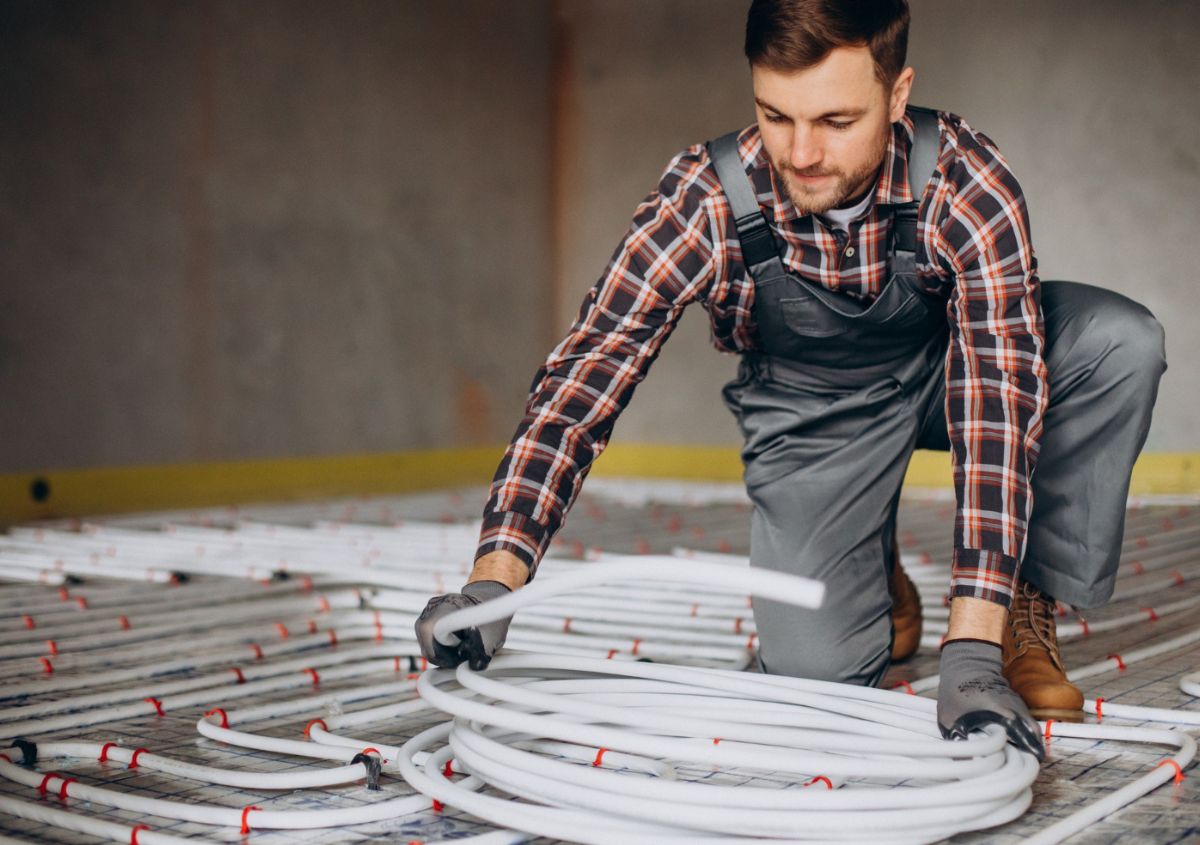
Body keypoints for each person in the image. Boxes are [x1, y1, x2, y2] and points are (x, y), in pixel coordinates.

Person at [416, 0, 1166, 761]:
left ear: (897, 95)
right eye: (776, 116)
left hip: (953, 372)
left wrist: (971, 644)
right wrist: (494, 581)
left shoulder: (965, 182)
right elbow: (584, 381)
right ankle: (869, 563)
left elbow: (997, 402)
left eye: (837, 121)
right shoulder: (705, 198)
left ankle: (1022, 607)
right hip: (813, 412)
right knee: (813, 677)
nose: (801, 153)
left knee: (1117, 341)